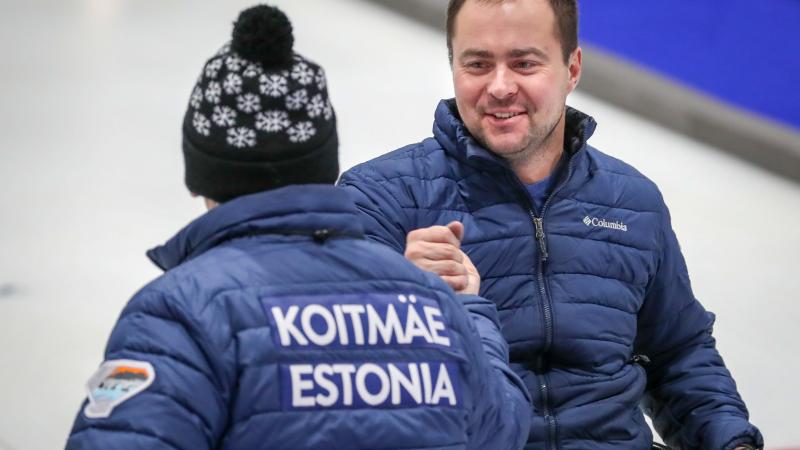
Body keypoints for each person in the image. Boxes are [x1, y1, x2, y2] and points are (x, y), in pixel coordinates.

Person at [65, 5, 532, 449]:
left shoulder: (180, 312)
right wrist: (470, 312)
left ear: (200, 176)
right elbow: (501, 433)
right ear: (323, 164)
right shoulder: (432, 306)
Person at [338, 0, 763, 449]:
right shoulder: (380, 199)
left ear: (572, 68)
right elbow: (335, 378)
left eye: (524, 63)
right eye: (477, 64)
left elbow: (678, 354)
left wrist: (733, 442)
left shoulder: (632, 203)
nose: (500, 87)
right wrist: (395, 305)